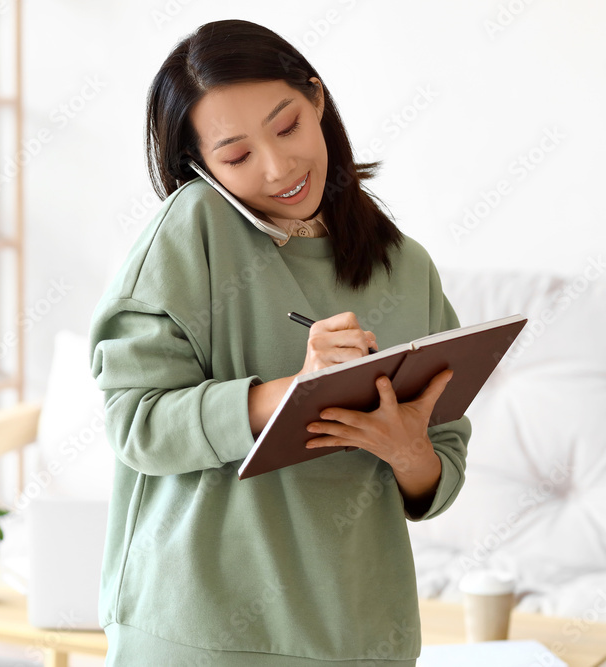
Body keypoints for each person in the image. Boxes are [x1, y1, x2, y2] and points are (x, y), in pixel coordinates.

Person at [88, 19, 472, 666]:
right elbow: (135, 420)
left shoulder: (407, 268)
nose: (279, 166)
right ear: (200, 165)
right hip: (198, 637)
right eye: (236, 156)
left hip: (362, 637)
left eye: (288, 124)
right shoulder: (191, 231)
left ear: (317, 99)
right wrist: (293, 392)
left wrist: (408, 453)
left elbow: (442, 460)